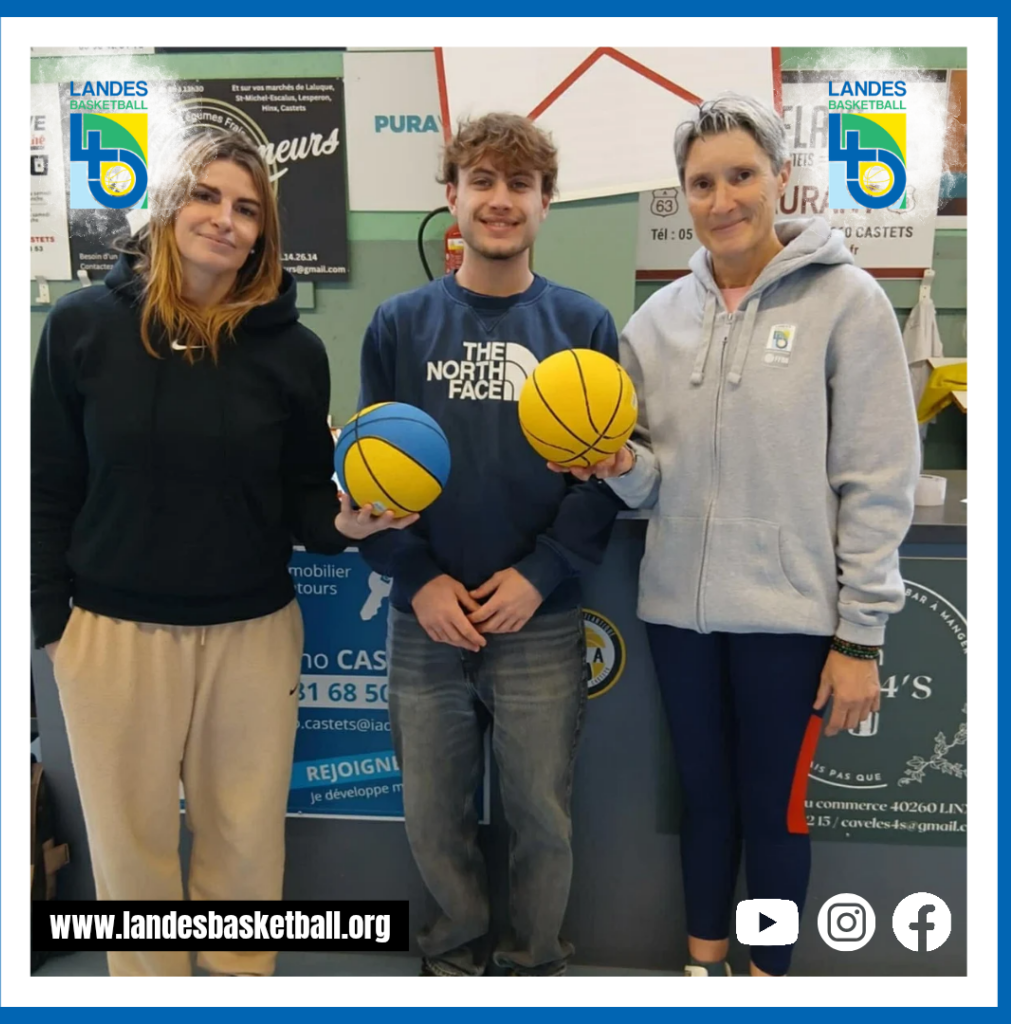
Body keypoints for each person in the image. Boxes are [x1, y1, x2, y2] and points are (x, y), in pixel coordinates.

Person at [30, 127, 412, 977]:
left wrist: (349, 526)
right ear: (170, 206)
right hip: (112, 632)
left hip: (251, 630)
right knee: (130, 851)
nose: (224, 220)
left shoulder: (294, 351)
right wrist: (53, 625)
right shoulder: (81, 327)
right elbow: (46, 482)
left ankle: (237, 988)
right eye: (206, 196)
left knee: (244, 840)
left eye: (247, 208)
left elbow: (303, 496)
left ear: (263, 233)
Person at [563, 94, 920, 977]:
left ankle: (765, 984)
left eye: (741, 176)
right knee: (705, 802)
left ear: (780, 179)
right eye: (701, 183)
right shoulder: (655, 322)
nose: (722, 200)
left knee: (774, 810)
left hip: (792, 620)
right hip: (678, 614)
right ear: (683, 195)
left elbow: (877, 480)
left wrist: (861, 635)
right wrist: (618, 464)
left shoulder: (849, 302)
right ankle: (704, 971)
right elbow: (651, 479)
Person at [358, 112, 625, 977]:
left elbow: (602, 481)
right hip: (425, 618)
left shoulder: (584, 324)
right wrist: (418, 580)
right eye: (482, 181)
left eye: (520, 184)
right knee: (432, 814)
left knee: (541, 815)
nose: (500, 200)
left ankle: (532, 964)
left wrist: (539, 575)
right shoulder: (398, 326)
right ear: (452, 196)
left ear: (547, 203)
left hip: (537, 619)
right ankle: (454, 952)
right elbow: (368, 479)